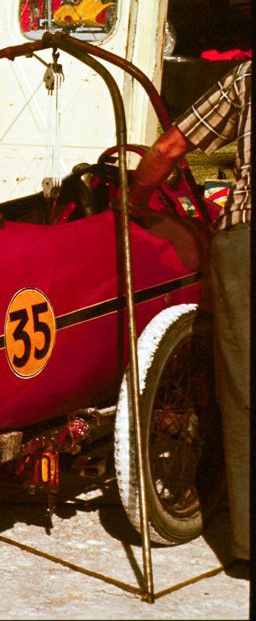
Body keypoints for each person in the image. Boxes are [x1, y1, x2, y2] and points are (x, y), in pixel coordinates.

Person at [127, 59, 250, 567]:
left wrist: (134, 195)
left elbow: (169, 149)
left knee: (242, 391)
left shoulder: (246, 77)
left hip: (246, 237)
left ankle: (245, 547)